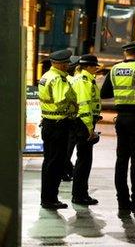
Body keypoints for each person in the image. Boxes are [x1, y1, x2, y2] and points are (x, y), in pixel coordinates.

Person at [101, 41, 135, 212]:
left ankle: (122, 201)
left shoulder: (115, 69)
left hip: (122, 119)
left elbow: (105, 93)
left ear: (125, 54)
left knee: (122, 159)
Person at [38, 49, 78, 209]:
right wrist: (73, 106)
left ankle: (47, 197)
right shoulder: (58, 79)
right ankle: (50, 199)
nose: (68, 65)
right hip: (58, 125)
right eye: (67, 63)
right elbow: (61, 100)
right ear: (61, 64)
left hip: (48, 123)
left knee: (48, 162)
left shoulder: (46, 76)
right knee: (55, 164)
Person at [70, 54, 101, 205]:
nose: (96, 68)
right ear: (87, 67)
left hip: (82, 123)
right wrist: (89, 128)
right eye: (94, 66)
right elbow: (84, 105)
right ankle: (79, 195)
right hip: (83, 123)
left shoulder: (83, 78)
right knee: (84, 160)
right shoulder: (83, 81)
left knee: (83, 160)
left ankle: (81, 193)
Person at [63, 55, 81, 182]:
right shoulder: (72, 81)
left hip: (66, 118)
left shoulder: (66, 79)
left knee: (66, 147)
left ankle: (67, 169)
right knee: (68, 148)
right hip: (72, 119)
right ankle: (65, 171)